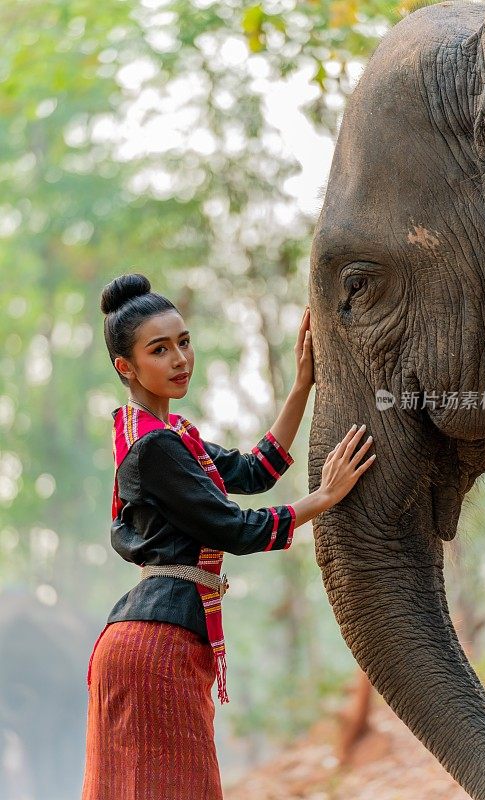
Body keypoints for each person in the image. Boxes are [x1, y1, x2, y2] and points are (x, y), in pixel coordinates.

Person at [81, 272, 376, 800]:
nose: (180, 359)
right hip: (155, 651)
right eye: (160, 350)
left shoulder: (168, 437)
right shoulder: (156, 449)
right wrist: (323, 498)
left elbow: (253, 471)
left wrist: (300, 387)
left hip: (150, 642)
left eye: (184, 342)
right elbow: (236, 529)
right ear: (126, 367)